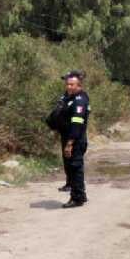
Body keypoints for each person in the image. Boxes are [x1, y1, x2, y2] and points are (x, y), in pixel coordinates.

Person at [47, 71, 90, 208]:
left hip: (75, 140)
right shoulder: (69, 98)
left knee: (75, 167)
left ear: (79, 85)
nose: (69, 87)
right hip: (67, 137)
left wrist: (70, 144)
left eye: (72, 84)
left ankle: (77, 199)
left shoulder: (80, 100)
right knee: (71, 167)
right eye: (67, 84)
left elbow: (77, 123)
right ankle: (80, 194)